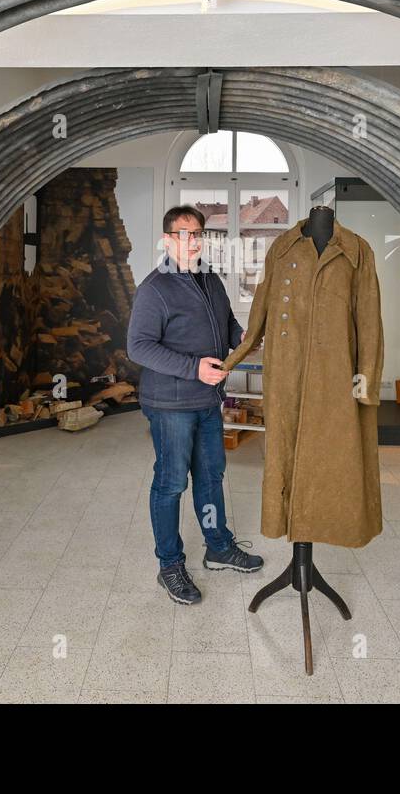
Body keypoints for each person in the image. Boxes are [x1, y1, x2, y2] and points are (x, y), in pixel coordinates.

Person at [126, 206, 264, 604]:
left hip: (208, 400)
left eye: (199, 233)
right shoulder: (155, 289)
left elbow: (225, 325)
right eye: (184, 234)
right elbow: (138, 347)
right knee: (171, 483)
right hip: (170, 404)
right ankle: (169, 565)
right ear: (168, 241)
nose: (194, 240)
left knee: (211, 476)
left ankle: (218, 547)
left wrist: (241, 337)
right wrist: (193, 368)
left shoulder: (209, 278)